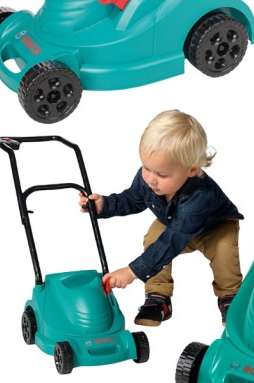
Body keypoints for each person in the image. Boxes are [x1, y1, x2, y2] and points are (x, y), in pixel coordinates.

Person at [79, 109, 243, 327]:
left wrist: (132, 272)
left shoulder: (200, 197)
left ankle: (230, 297)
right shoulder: (148, 179)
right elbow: (132, 199)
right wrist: (104, 205)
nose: (151, 180)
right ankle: (158, 297)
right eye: (146, 168)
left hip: (215, 227)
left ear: (191, 170)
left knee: (223, 250)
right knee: (153, 239)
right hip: (173, 223)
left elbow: (171, 243)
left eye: (162, 174)